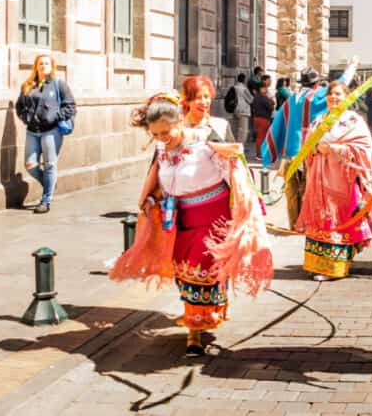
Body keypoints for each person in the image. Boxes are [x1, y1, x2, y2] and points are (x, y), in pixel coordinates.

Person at [110, 93, 272, 356]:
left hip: (213, 219)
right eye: (156, 134)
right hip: (180, 221)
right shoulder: (162, 151)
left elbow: (234, 172)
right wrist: (152, 199)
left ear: (179, 121)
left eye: (166, 131)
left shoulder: (205, 143)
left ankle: (194, 331)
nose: (162, 138)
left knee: (203, 269)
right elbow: (161, 184)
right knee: (185, 273)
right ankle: (200, 318)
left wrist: (247, 210)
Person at [261, 59, 359, 227]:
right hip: (308, 151)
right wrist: (351, 67)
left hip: (289, 152)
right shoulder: (317, 96)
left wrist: (269, 149)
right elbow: (341, 84)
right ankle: (305, 224)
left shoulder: (292, 99)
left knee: (291, 191)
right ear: (316, 84)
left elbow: (278, 123)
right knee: (308, 188)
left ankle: (293, 223)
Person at [297, 81, 372, 279]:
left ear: (347, 96)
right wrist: (315, 149)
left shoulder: (354, 121)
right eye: (331, 94)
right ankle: (319, 264)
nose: (334, 97)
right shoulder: (319, 120)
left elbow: (363, 148)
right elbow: (306, 147)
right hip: (320, 182)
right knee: (321, 220)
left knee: (338, 220)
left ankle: (335, 267)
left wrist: (336, 148)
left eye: (338, 94)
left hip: (343, 182)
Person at [14, 54, 77, 214]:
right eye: (40, 63)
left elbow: (70, 106)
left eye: (46, 63)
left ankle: (46, 200)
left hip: (51, 131)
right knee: (30, 165)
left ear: (52, 66)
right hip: (32, 132)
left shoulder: (58, 84)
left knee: (50, 164)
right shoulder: (28, 85)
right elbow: (19, 106)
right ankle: (50, 183)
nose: (43, 66)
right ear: (36, 66)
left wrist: (55, 117)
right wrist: (25, 118)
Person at [181, 75, 234, 142]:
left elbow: (236, 151)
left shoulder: (221, 125)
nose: (203, 102)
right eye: (198, 98)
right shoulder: (178, 128)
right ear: (187, 101)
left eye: (206, 97)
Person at [251, 83, 275, 159]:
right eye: (264, 88)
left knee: (259, 136)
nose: (266, 89)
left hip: (256, 118)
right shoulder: (264, 98)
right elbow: (270, 108)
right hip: (263, 119)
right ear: (260, 89)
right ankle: (260, 154)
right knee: (262, 137)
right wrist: (271, 103)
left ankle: (260, 153)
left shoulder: (255, 98)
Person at [230, 74, 253, 146]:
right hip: (243, 111)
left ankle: (233, 144)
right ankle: (240, 146)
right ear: (244, 80)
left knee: (235, 129)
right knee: (243, 130)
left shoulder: (234, 87)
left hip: (235, 109)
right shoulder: (244, 89)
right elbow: (251, 100)